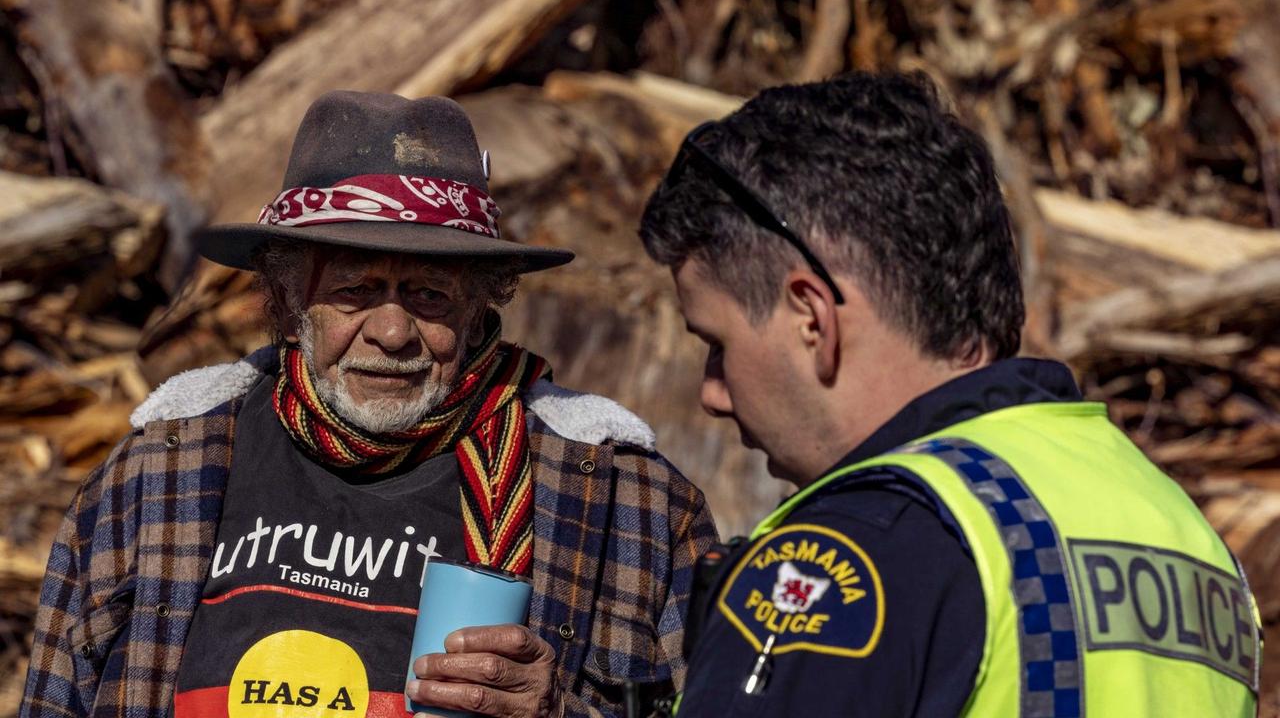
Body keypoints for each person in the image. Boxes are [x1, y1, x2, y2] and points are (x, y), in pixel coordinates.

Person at [22, 91, 717, 718]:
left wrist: (555, 714)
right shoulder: (156, 475)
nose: (391, 333)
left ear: (480, 310)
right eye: (355, 291)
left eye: (429, 295)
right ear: (292, 300)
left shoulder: (626, 501)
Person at [638, 72, 1261, 717]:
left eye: (717, 343)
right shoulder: (1178, 526)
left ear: (811, 318)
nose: (712, 393)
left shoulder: (851, 551)